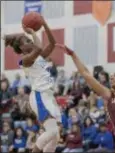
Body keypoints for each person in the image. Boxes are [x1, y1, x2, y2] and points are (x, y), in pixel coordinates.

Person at [3, 16, 61, 153]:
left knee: (55, 136)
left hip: (48, 96)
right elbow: (39, 47)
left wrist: (45, 24)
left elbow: (53, 43)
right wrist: (33, 32)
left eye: (30, 39)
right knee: (52, 132)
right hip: (39, 96)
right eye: (27, 41)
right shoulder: (25, 60)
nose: (30, 41)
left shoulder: (39, 56)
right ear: (22, 48)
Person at [60, 45, 115, 153]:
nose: (112, 77)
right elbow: (86, 74)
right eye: (111, 76)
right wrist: (73, 55)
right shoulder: (109, 95)